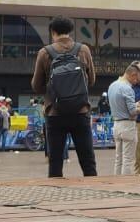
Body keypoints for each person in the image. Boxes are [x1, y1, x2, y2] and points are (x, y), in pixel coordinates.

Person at [31, 16, 97, 178]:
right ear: (70, 31)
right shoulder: (84, 50)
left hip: (55, 113)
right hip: (80, 111)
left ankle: (57, 196)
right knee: (88, 160)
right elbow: (92, 80)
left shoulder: (44, 53)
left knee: (55, 161)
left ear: (53, 32)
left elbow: (36, 86)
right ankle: (96, 195)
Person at [108, 61, 140, 174]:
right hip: (128, 126)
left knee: (118, 159)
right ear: (133, 75)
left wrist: (134, 105)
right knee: (128, 160)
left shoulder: (112, 85)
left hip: (116, 125)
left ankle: (117, 184)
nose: (136, 82)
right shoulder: (127, 88)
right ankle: (126, 186)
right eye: (136, 79)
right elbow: (133, 112)